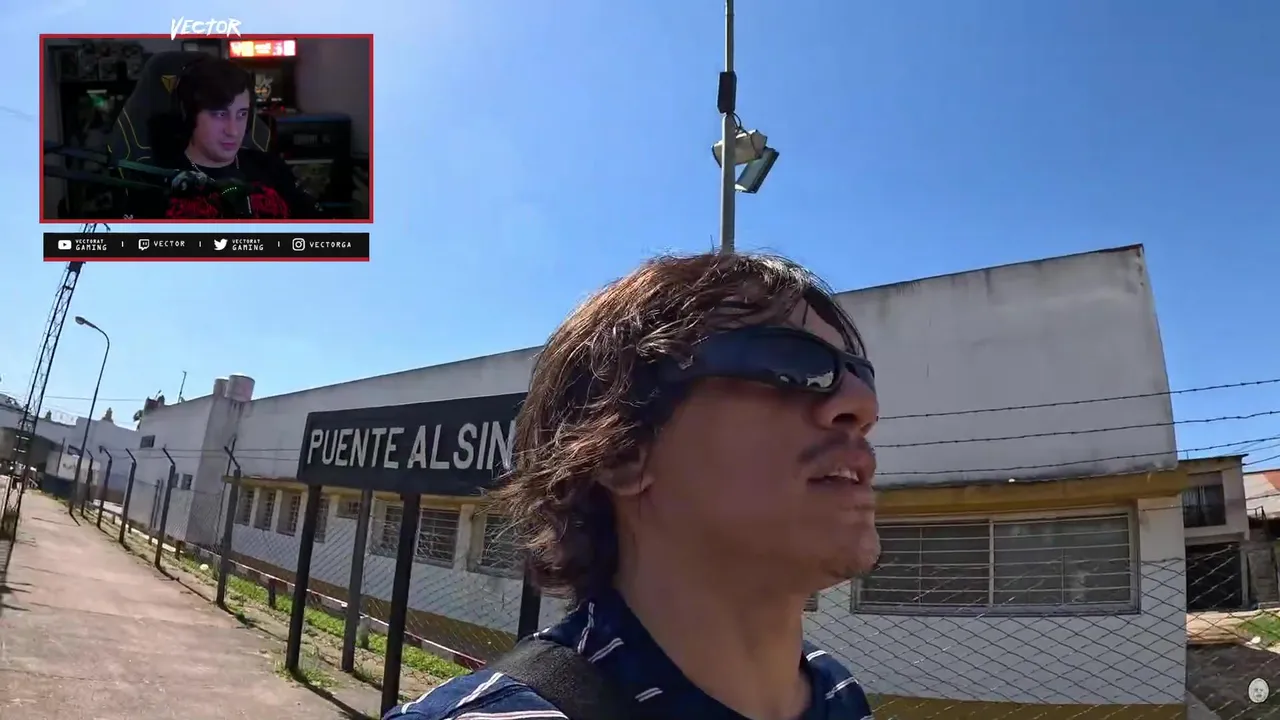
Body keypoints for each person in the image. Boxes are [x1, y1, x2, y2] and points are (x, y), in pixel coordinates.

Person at [388, 252, 880, 720]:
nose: (863, 406)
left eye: (862, 377)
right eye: (793, 363)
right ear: (622, 453)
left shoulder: (840, 693)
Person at [122, 55, 322, 220]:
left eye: (241, 114)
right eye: (220, 114)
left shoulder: (272, 168)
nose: (233, 131)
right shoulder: (155, 184)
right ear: (189, 115)